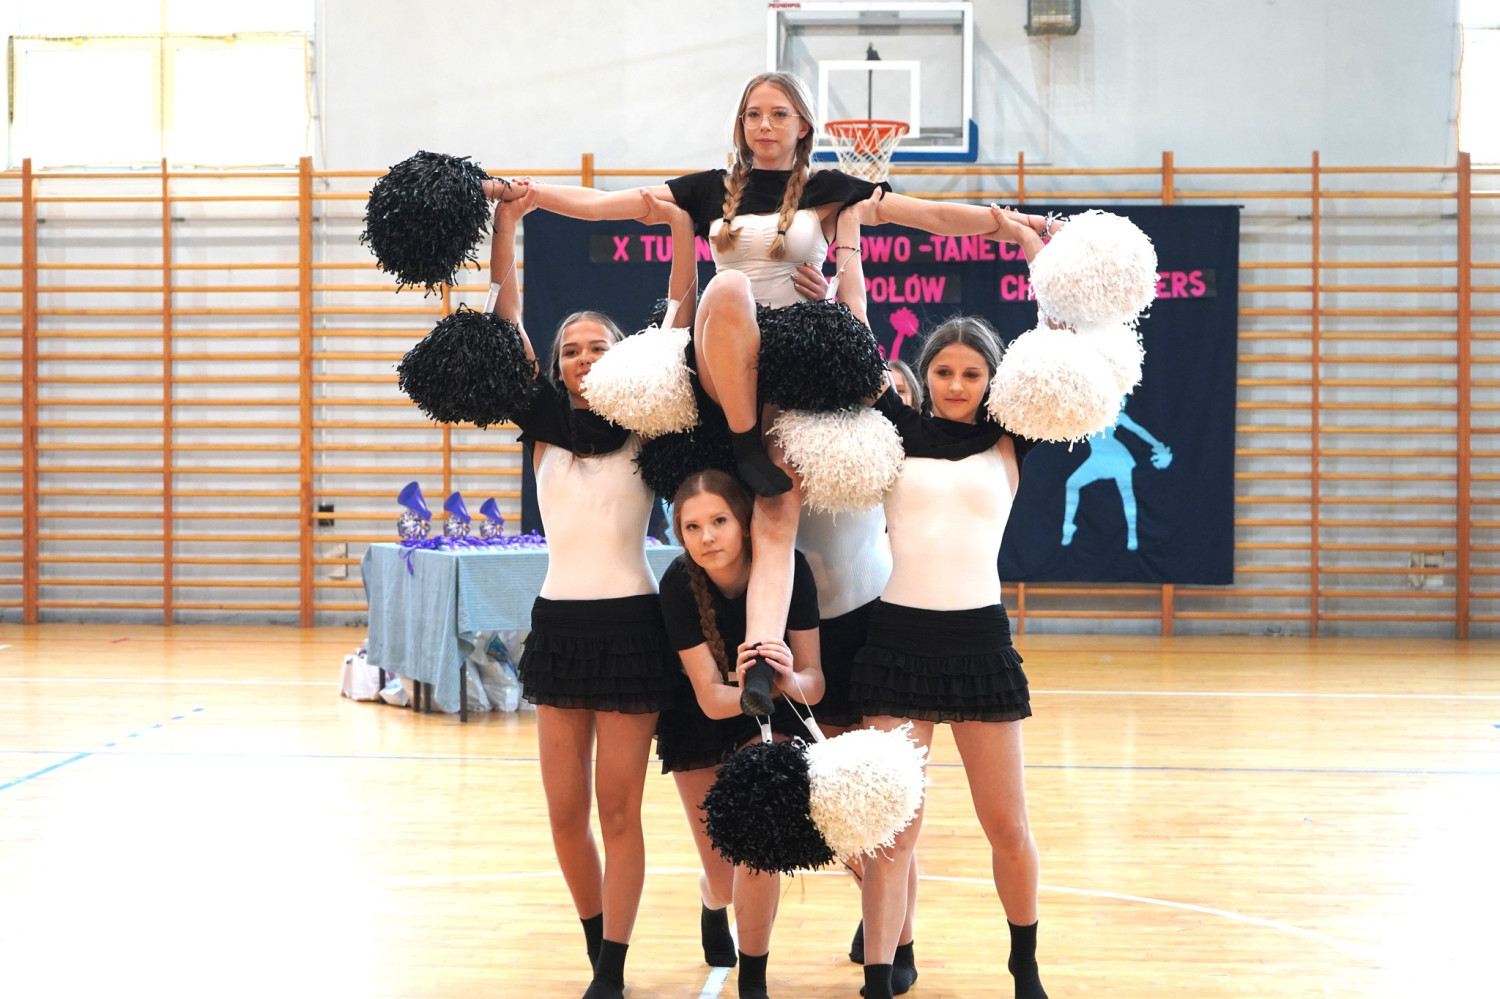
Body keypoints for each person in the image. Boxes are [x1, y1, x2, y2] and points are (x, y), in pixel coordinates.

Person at [487, 73, 1057, 721]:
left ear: (802, 125)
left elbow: (929, 216)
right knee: (729, 287)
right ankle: (742, 438)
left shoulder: (828, 190)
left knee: (777, 513)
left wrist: (1018, 225)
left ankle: (761, 656)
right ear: (741, 125)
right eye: (753, 114)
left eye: (778, 114)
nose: (764, 125)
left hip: (793, 366)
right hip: (721, 358)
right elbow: (606, 204)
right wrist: (528, 195)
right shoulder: (710, 189)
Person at [488, 186, 699, 999]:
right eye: (570, 349)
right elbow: (505, 323)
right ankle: (594, 938)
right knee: (564, 811)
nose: (582, 356)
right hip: (559, 631)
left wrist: (680, 228)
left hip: (632, 629)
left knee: (618, 810)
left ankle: (613, 966)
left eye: (597, 345)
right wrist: (509, 223)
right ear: (557, 364)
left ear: (618, 356)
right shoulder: (542, 424)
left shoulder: (647, 419)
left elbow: (678, 321)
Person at [849, 210, 1054, 999]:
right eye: (944, 371)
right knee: (891, 828)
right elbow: (857, 330)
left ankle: (1024, 964)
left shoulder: (1011, 436)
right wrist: (849, 237)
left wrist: (1031, 249)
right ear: (926, 375)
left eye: (972, 373)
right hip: (896, 643)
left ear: (991, 381)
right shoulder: (894, 427)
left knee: (1008, 825)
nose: (958, 384)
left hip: (980, 646)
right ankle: (882, 967)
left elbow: (1052, 348)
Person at [655, 469, 825, 999]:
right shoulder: (678, 584)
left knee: (759, 843)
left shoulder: (789, 568)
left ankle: (754, 980)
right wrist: (760, 690)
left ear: (745, 522)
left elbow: (815, 684)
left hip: (768, 719)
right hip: (699, 722)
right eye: (692, 527)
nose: (707, 537)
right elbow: (710, 698)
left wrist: (787, 677)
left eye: (719, 521)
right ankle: (711, 901)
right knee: (726, 878)